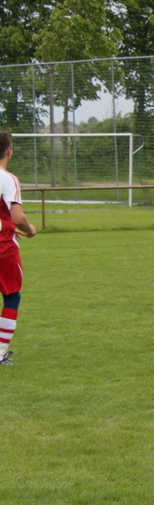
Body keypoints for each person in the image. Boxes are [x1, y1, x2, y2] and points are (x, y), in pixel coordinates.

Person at [0, 132, 38, 365]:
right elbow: (17, 216)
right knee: (12, 296)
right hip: (3, 249)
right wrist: (29, 228)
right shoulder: (8, 179)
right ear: (8, 151)